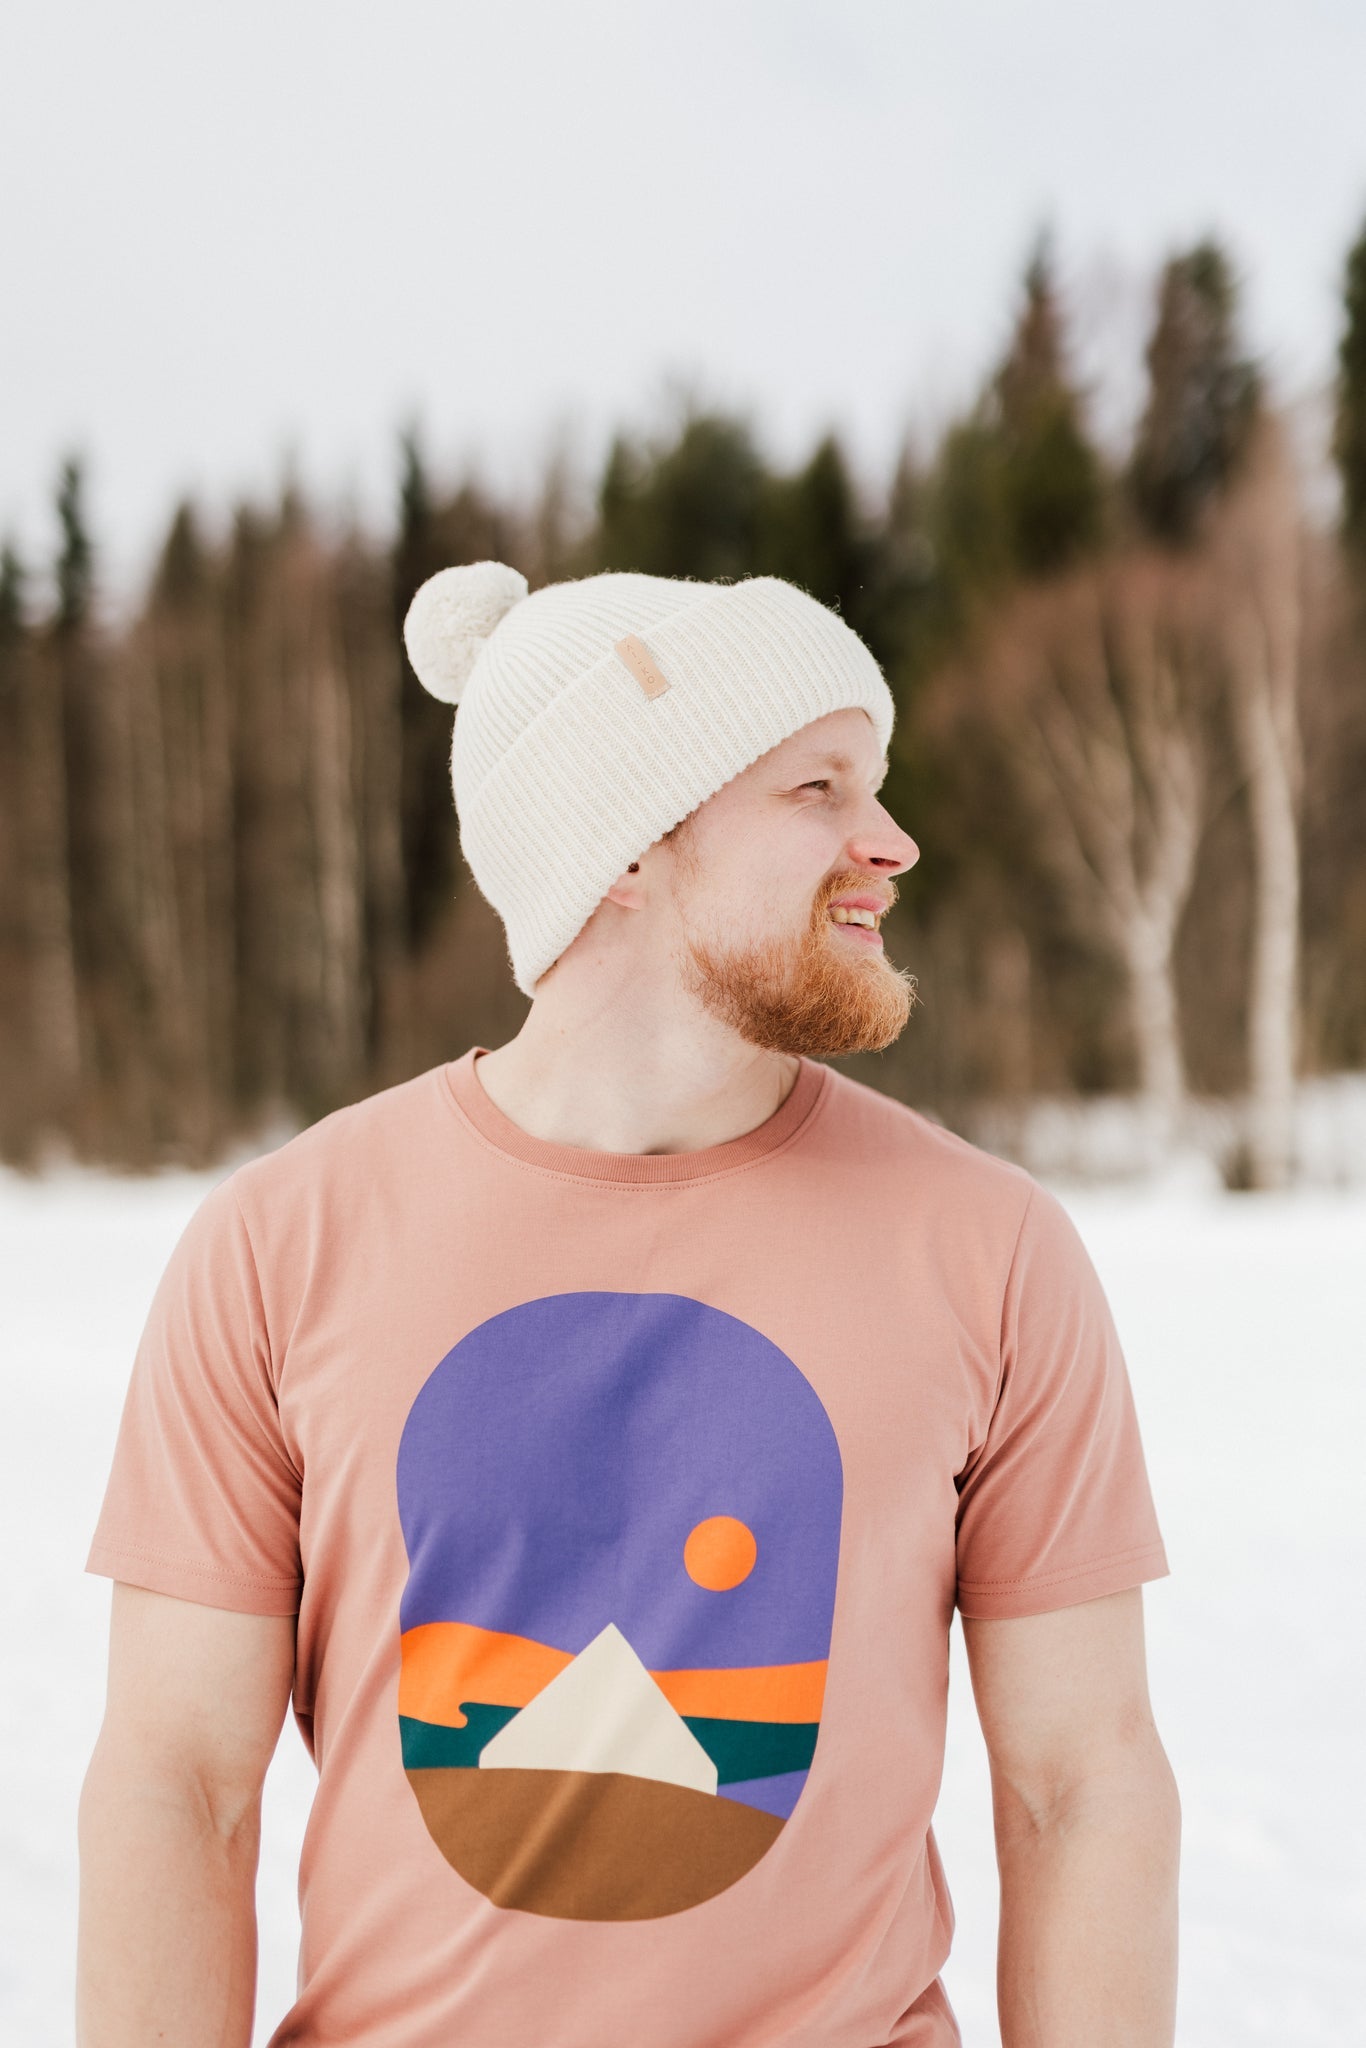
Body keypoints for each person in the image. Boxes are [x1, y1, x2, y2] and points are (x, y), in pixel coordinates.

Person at [77, 562, 1179, 2048]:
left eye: (876, 787)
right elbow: (179, 1787)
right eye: (818, 788)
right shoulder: (282, 1244)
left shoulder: (989, 1247)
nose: (891, 843)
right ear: (628, 846)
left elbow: (1080, 1783)